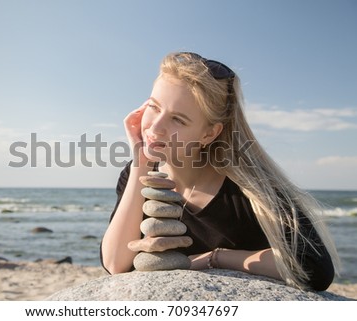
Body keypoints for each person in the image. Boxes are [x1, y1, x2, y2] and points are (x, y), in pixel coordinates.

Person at [100, 52, 339, 291]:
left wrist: (215, 257)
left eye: (178, 120)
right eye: (154, 106)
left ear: (209, 134)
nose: (156, 127)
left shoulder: (249, 187)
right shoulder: (137, 174)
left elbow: (314, 269)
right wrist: (140, 163)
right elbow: (115, 265)